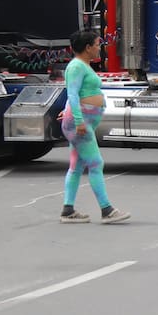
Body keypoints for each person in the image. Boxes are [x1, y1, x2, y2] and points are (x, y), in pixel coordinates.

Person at [59, 30, 130, 225]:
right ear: (88, 47)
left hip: (79, 120)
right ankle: (107, 210)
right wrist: (79, 120)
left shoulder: (83, 66)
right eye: (97, 45)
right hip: (79, 123)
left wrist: (71, 114)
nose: (100, 48)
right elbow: (72, 94)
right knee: (96, 163)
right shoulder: (76, 67)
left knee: (76, 166)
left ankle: (68, 210)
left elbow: (77, 93)